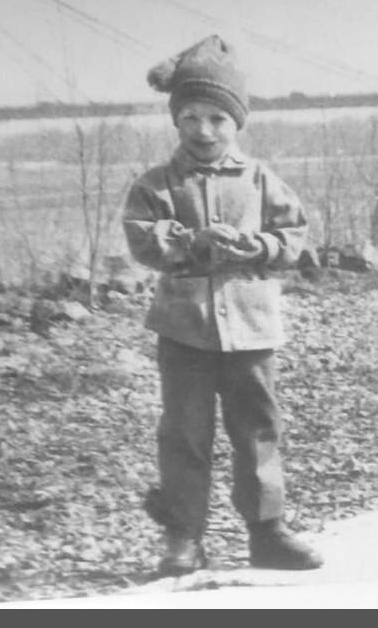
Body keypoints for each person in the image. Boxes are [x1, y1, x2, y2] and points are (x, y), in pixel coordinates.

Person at [122, 34, 324, 577]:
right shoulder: (156, 184)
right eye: (191, 117)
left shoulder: (259, 180)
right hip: (184, 331)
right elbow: (142, 239)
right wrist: (192, 242)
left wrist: (258, 247)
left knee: (257, 429)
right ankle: (183, 537)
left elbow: (294, 235)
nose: (204, 130)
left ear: (237, 122)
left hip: (253, 330)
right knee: (184, 433)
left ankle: (267, 533)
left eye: (218, 118)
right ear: (176, 121)